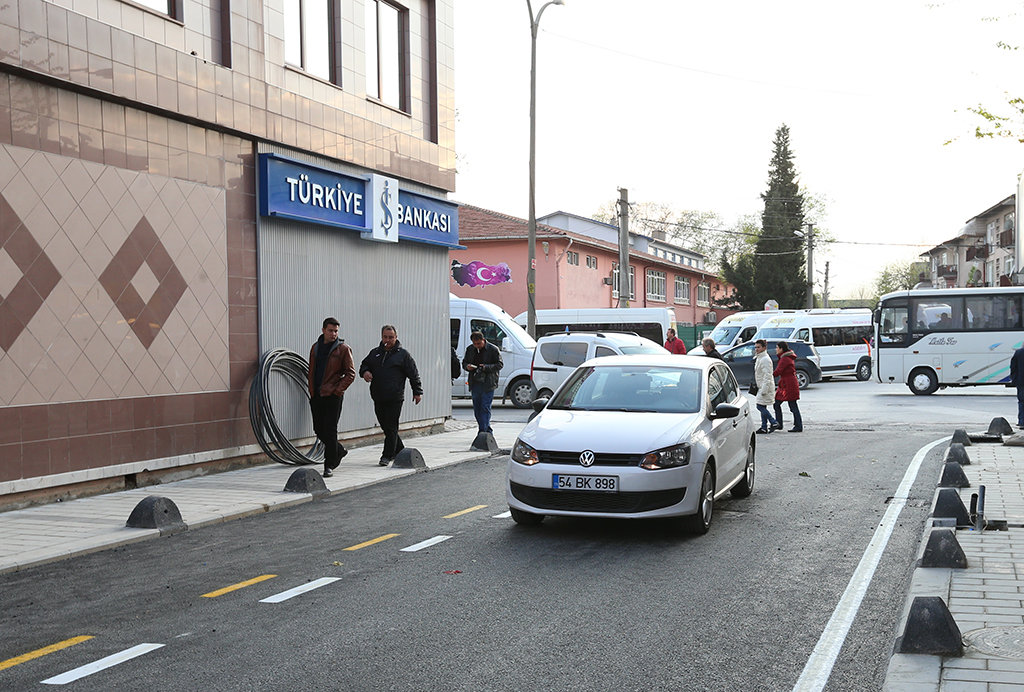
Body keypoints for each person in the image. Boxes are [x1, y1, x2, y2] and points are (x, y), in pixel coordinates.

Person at [359, 325, 423, 466]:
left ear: (396, 337)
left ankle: (386, 456)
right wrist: (365, 372)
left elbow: (413, 374)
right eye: (385, 337)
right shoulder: (375, 353)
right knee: (386, 426)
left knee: (392, 426)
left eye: (391, 337)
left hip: (395, 396)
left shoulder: (403, 355)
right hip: (378, 395)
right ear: (382, 337)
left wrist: (417, 391)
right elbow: (364, 365)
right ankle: (400, 450)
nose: (388, 340)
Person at [307, 317, 356, 478]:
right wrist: (312, 391)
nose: (333, 334)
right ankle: (339, 450)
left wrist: (337, 390)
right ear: (323, 330)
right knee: (318, 429)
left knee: (330, 429)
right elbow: (312, 371)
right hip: (317, 395)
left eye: (336, 331)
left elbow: (350, 373)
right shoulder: (315, 348)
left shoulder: (343, 349)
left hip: (333, 396)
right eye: (330, 330)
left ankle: (329, 465)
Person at [463, 331, 503, 434]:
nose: (477, 346)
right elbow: (464, 362)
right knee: (477, 408)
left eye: (479, 343)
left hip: (488, 383)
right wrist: (468, 367)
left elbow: (499, 364)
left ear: (483, 340)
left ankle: (483, 431)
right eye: (475, 344)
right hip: (475, 381)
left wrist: (486, 367)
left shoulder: (493, 349)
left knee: (485, 407)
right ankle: (485, 429)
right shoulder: (470, 349)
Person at [773, 341, 803, 432]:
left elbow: (778, 371)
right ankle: (781, 423)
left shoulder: (785, 359)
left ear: (781, 349)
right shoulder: (785, 357)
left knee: (790, 405)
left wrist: (769, 375)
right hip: (788, 383)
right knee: (783, 404)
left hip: (788, 384)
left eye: (777, 347)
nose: (776, 349)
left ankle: (796, 425)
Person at [753, 339, 778, 434]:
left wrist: (764, 389)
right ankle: (764, 427)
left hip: (765, 386)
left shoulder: (765, 359)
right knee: (762, 405)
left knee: (759, 406)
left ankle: (773, 421)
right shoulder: (760, 358)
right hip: (762, 386)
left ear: (764, 348)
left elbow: (768, 375)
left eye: (758, 347)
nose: (756, 349)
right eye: (755, 347)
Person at [1010, 345, 1024, 429]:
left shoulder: (1018, 353)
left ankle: (1022, 422)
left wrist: (1014, 379)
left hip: (1021, 382)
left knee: (1022, 401)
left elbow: (1013, 367)